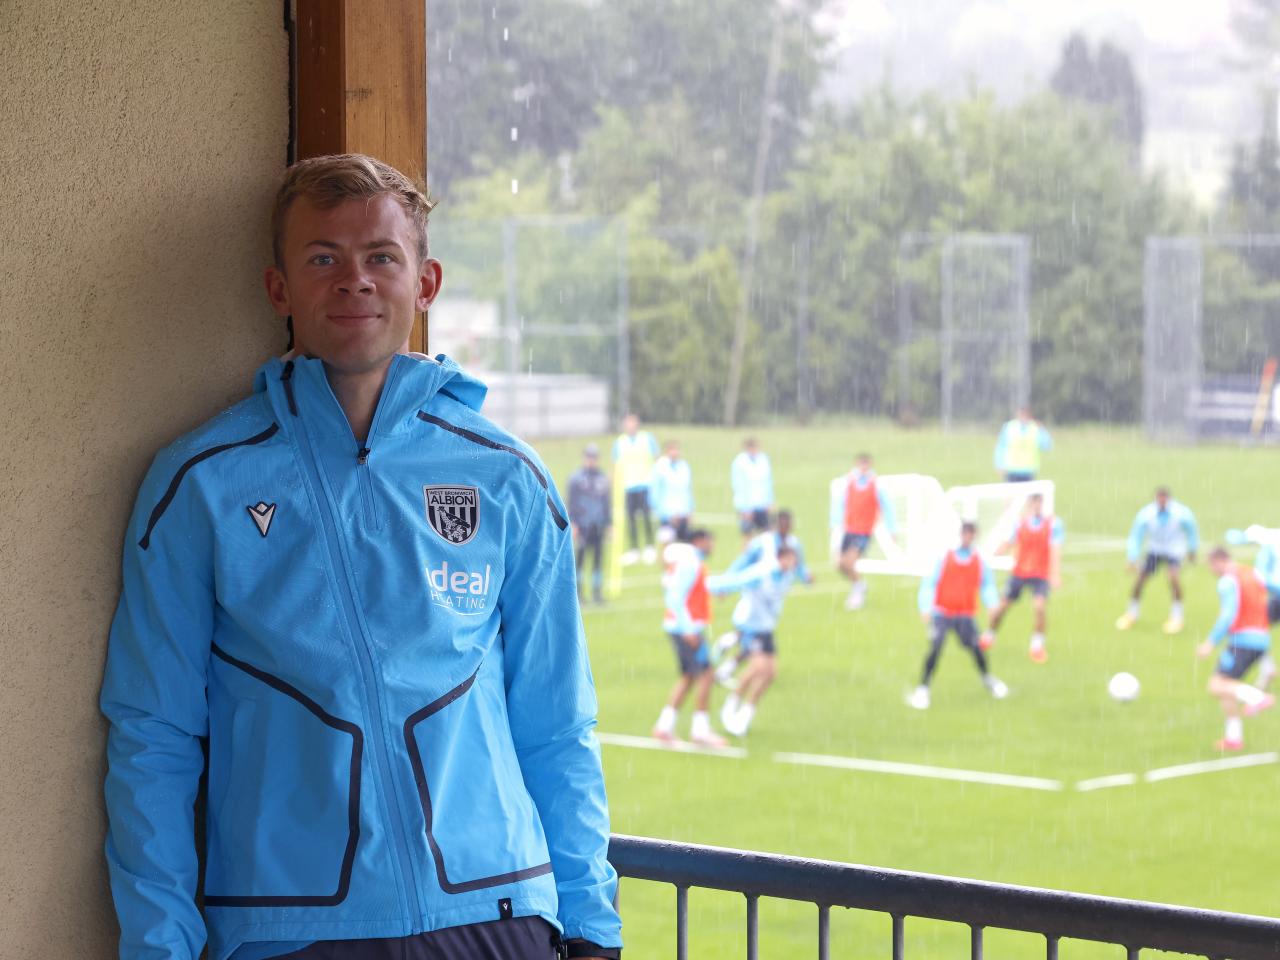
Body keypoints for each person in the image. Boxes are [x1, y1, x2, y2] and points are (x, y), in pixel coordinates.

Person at [99, 155, 620, 960]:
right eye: (323, 259)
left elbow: (557, 723)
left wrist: (588, 924)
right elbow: (153, 737)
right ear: (280, 290)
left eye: (381, 256)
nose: (355, 281)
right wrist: (160, 946)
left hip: (500, 915)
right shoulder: (198, 484)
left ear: (426, 282)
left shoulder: (509, 477)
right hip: (290, 931)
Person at [908, 522, 1008, 710]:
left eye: (971, 534)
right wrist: (925, 606)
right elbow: (929, 583)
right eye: (965, 534)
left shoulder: (979, 561)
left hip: (965, 614)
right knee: (936, 648)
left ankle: (988, 678)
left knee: (976, 648)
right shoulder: (945, 558)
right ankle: (923, 688)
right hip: (943, 613)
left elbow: (987, 585)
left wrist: (992, 604)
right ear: (960, 535)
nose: (967, 537)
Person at [708, 545, 801, 737]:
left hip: (766, 627)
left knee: (770, 673)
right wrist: (711, 586)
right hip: (750, 626)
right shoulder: (762, 572)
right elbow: (737, 580)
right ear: (780, 558)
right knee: (758, 667)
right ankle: (730, 707)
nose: (792, 564)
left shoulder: (787, 576)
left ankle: (745, 714)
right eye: (789, 559)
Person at [712, 510, 812, 688]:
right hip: (756, 595)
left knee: (750, 637)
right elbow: (742, 563)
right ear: (775, 525)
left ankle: (726, 644)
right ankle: (726, 670)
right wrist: (725, 585)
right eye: (782, 525)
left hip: (772, 602)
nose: (786, 528)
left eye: (788, 525)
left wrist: (805, 577)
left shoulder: (794, 544)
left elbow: (799, 566)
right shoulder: (761, 543)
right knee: (755, 642)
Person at [652, 529, 727, 748]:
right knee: (706, 674)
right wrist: (688, 629)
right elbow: (675, 596)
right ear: (699, 541)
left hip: (682, 626)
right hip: (687, 628)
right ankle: (700, 730)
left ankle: (665, 726)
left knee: (689, 676)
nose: (712, 546)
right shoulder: (690, 562)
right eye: (710, 541)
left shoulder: (689, 561)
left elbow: (691, 589)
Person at [1196, 547, 1275, 751]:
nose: (1212, 571)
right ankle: (1234, 739)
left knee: (1217, 685)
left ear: (1218, 562)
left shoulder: (1228, 581)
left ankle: (1257, 697)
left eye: (1211, 566)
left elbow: (1228, 615)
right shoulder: (1253, 572)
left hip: (1243, 640)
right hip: (1262, 639)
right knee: (1228, 687)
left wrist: (1209, 643)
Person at [987, 493, 1064, 663]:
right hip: (1020, 573)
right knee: (1001, 608)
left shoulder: (1053, 525)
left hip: (1040, 574)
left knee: (1039, 607)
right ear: (1029, 505)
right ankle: (989, 635)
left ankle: (1037, 646)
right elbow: (1009, 542)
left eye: (1039, 504)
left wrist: (1055, 574)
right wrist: (996, 552)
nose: (1037, 507)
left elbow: (1055, 549)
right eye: (1034, 504)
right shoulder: (1020, 524)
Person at [1115, 486, 1199, 634]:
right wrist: (1132, 557)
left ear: (1169, 499)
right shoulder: (1146, 514)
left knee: (1173, 579)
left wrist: (1192, 550)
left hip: (1174, 550)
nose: (1161, 503)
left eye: (1164, 500)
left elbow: (1192, 531)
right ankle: (1131, 613)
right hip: (1155, 550)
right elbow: (1136, 536)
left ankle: (1177, 616)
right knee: (1140, 580)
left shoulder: (1181, 514)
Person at [832, 452, 896, 610]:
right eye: (861, 465)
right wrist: (834, 523)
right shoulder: (848, 482)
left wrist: (892, 529)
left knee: (849, 561)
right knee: (840, 564)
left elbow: (887, 507)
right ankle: (859, 584)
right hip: (849, 529)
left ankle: (858, 591)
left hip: (864, 532)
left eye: (866, 465)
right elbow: (840, 504)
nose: (863, 468)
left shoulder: (876, 485)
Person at [612, 413, 659, 565]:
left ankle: (650, 546)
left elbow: (657, 459)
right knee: (630, 518)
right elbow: (615, 465)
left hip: (645, 484)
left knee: (646, 517)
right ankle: (634, 549)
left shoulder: (647, 439)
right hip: (628, 486)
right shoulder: (620, 442)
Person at [568, 443, 611, 605]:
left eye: (594, 457)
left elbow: (606, 501)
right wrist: (573, 523)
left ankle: (597, 592)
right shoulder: (576, 479)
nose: (591, 461)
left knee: (598, 561)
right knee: (580, 560)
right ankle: (578, 593)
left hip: (597, 524)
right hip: (582, 524)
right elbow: (571, 503)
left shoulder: (602, 478)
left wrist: (609, 523)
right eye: (589, 457)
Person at [649, 440, 694, 541]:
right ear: (667, 451)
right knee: (667, 547)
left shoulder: (684, 466)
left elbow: (688, 490)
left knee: (684, 546)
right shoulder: (660, 467)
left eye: (676, 450)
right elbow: (654, 492)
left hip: (683, 512)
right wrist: (664, 514)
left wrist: (690, 510)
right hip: (667, 514)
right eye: (672, 450)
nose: (675, 453)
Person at [993, 405, 1052, 482]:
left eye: (1026, 415)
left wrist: (1042, 429)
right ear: (1018, 415)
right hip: (1012, 470)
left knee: (1028, 494)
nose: (1023, 417)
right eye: (1022, 414)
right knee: (1012, 493)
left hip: (1029, 471)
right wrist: (999, 464)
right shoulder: (1009, 427)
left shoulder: (1035, 428)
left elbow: (1047, 446)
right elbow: (1001, 447)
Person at [730, 437, 773, 536]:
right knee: (747, 535)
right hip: (746, 506)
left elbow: (768, 482)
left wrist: (769, 501)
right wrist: (745, 508)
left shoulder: (764, 460)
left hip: (762, 505)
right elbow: (738, 486)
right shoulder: (740, 462)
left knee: (767, 534)